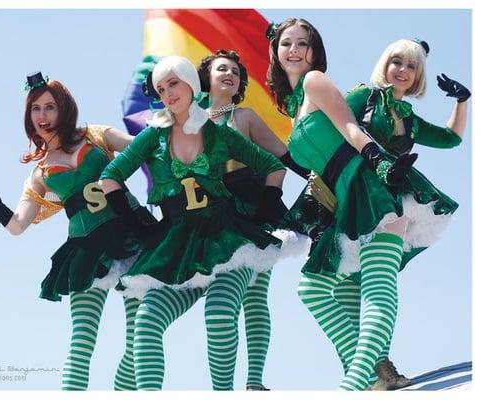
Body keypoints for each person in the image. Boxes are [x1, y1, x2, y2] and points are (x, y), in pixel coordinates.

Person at [265, 18, 444, 390]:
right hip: (340, 200)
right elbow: (303, 160)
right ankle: (369, 374)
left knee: (378, 287)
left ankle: (353, 384)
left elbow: (350, 127)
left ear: (315, 51)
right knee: (312, 289)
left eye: (303, 43)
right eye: (287, 44)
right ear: (276, 52)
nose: (294, 50)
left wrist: (378, 159)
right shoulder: (294, 105)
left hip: (369, 187)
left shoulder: (315, 82)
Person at [99, 55, 289, 390]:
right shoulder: (152, 136)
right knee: (146, 323)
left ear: (191, 83)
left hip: (226, 240)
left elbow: (274, 165)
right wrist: (140, 226)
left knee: (219, 313)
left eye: (174, 82)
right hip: (176, 246)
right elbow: (110, 177)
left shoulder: (218, 131)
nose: (168, 92)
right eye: (161, 88)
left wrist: (263, 211)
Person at [0, 73, 156, 390]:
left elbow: (143, 147)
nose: (43, 116)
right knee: (81, 343)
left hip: (131, 236)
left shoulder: (95, 136)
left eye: (50, 107)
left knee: (138, 336)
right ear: (29, 117)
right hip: (85, 251)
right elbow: (17, 225)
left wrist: (158, 108)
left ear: (64, 109)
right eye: (35, 109)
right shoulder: (39, 174)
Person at [343, 38, 469, 390]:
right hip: (354, 194)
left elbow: (451, 138)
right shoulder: (362, 96)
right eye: (397, 61)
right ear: (385, 64)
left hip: (392, 201)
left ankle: (375, 373)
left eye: (411, 66)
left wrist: (463, 100)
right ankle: (375, 370)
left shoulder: (409, 117)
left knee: (377, 283)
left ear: (417, 77)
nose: (402, 70)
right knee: (339, 288)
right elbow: (330, 125)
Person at [197, 49, 311, 390]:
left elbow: (284, 156)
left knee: (256, 296)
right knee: (226, 298)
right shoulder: (187, 120)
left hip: (251, 211)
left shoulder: (243, 116)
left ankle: (254, 382)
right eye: (222, 69)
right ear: (207, 78)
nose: (230, 74)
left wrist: (324, 172)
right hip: (210, 214)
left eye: (236, 71)